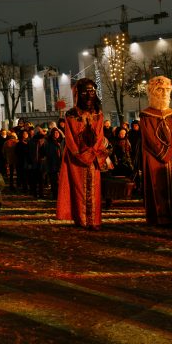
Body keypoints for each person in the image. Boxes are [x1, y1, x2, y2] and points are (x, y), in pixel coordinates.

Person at [56, 78, 109, 230]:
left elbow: (99, 135)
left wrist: (94, 153)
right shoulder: (71, 115)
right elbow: (70, 138)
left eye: (92, 91)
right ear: (78, 93)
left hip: (94, 157)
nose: (89, 94)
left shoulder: (98, 114)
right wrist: (82, 154)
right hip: (76, 160)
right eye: (85, 91)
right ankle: (82, 220)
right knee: (78, 190)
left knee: (94, 190)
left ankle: (94, 220)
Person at [139, 76, 172, 226]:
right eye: (160, 90)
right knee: (157, 185)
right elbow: (149, 137)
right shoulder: (146, 114)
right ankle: (160, 217)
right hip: (154, 157)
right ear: (153, 92)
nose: (164, 93)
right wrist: (163, 153)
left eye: (167, 90)